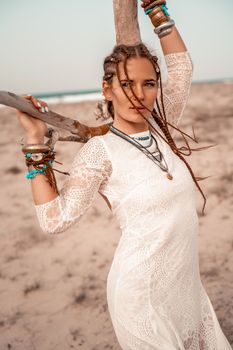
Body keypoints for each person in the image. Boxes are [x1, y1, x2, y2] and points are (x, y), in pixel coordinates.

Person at [16, 1, 232, 349]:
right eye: (127, 83)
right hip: (140, 298)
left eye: (149, 83)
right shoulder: (100, 152)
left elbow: (182, 68)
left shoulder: (161, 126)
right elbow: (54, 220)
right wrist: (34, 143)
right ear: (107, 89)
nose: (139, 94)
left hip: (186, 290)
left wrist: (155, 8)